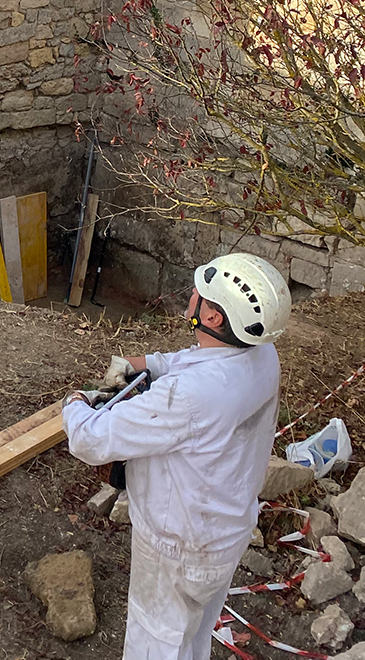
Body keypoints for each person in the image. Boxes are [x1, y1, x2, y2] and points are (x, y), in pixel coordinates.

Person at [62, 253, 292, 660]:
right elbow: (197, 361)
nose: (191, 297)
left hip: (179, 546)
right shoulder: (260, 354)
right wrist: (143, 365)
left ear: (215, 318)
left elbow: (91, 439)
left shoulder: (189, 396)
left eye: (199, 294)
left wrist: (77, 399)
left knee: (157, 642)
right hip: (224, 529)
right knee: (193, 635)